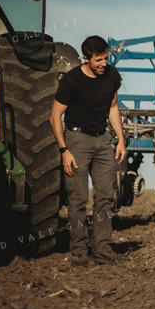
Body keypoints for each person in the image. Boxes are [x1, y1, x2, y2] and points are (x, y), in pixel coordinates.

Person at [49, 35, 126, 266]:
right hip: (77, 141)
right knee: (78, 198)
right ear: (86, 59)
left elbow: (113, 107)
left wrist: (120, 139)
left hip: (102, 140)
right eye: (98, 60)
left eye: (106, 58)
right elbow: (54, 117)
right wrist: (65, 150)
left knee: (105, 197)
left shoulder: (112, 75)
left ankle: (102, 248)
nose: (104, 63)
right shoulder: (72, 81)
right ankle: (80, 251)